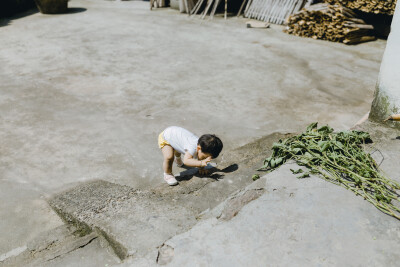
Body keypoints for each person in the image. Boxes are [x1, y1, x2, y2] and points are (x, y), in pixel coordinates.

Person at [158, 126, 223, 186]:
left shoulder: (202, 146)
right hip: (166, 137)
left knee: (179, 148)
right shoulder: (192, 147)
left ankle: (178, 159)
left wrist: (201, 168)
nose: (204, 159)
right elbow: (186, 161)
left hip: (175, 137)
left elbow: (200, 158)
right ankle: (168, 174)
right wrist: (201, 163)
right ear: (198, 148)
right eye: (204, 157)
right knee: (169, 157)